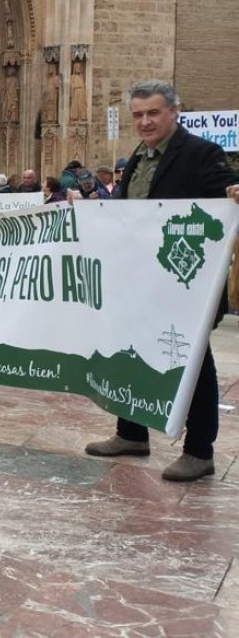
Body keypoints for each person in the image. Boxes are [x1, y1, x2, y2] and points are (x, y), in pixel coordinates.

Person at [83, 80, 239, 482]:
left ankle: (199, 451)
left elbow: (227, 191)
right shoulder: (138, 159)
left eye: (153, 113)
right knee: (128, 349)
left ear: (174, 112)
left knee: (192, 359)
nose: (145, 122)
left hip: (187, 283)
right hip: (140, 280)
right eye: (138, 115)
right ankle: (131, 433)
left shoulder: (201, 153)